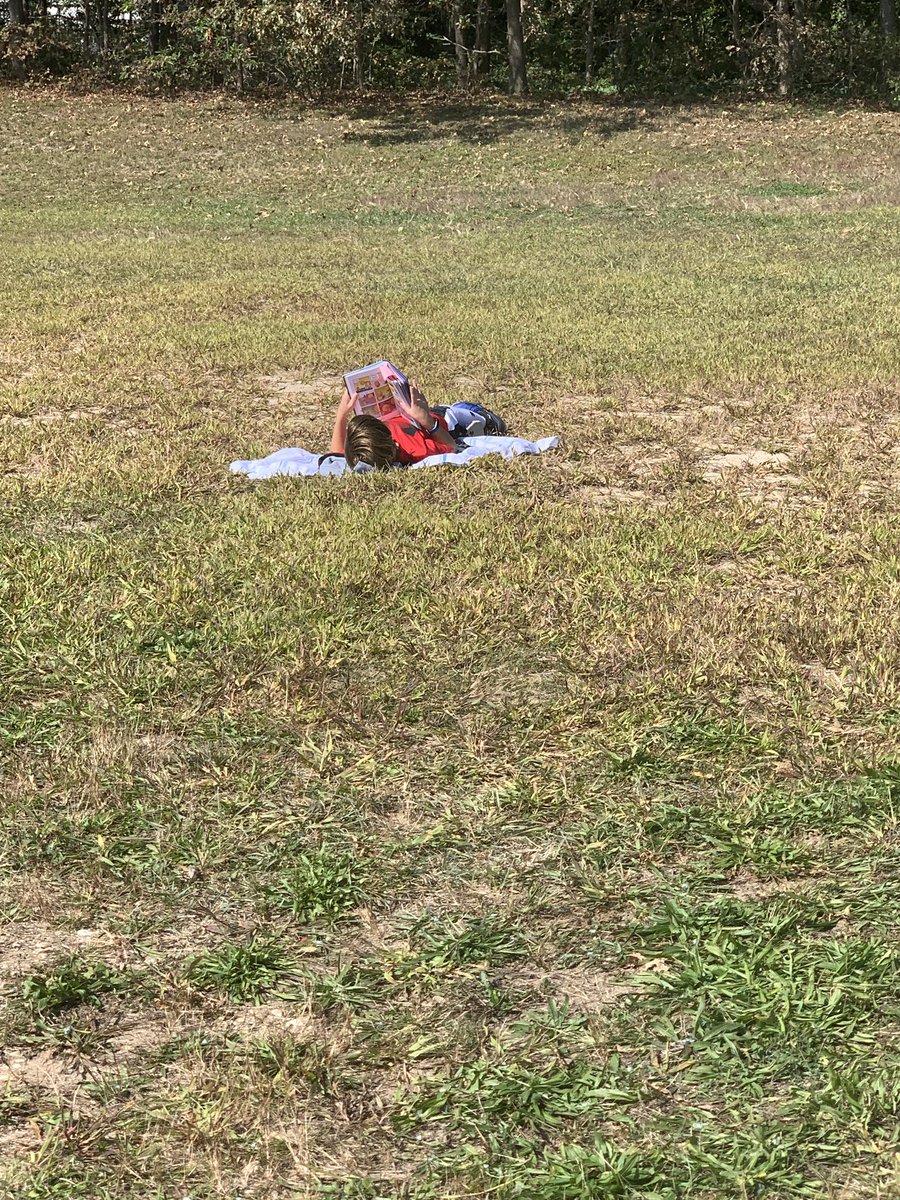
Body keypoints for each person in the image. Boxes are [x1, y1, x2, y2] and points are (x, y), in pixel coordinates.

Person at [329, 379, 508, 470]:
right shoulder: (416, 450)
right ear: (394, 444)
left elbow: (336, 453)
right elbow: (451, 446)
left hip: (409, 414)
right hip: (441, 420)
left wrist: (341, 416)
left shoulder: (363, 451)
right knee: (471, 416)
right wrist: (426, 420)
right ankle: (481, 415)